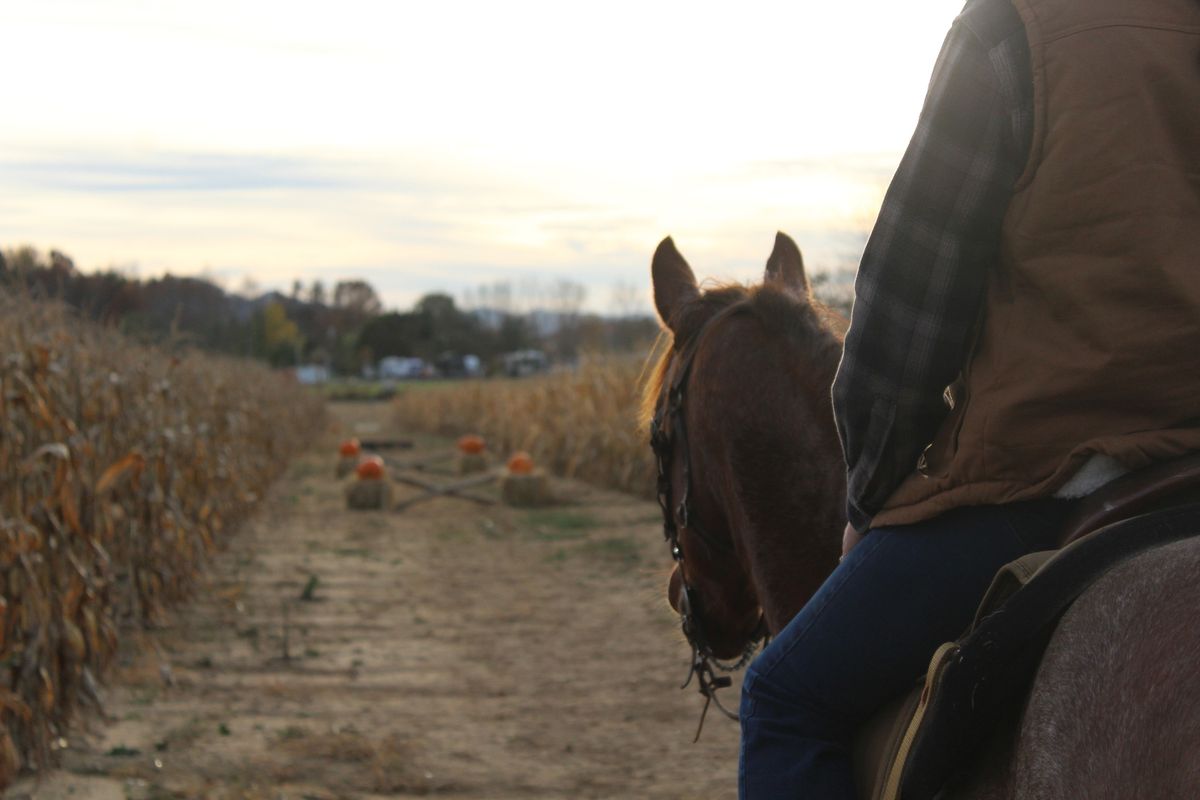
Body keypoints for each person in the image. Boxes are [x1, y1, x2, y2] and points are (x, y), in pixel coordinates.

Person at [738, 0, 1200, 796]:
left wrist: (869, 493)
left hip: (1052, 477)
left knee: (785, 696)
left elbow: (911, 305)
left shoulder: (1015, 27)